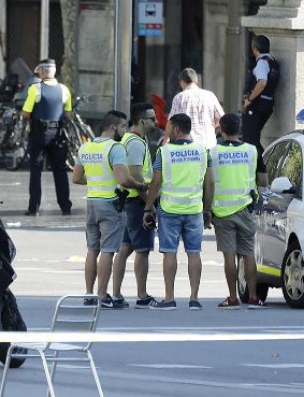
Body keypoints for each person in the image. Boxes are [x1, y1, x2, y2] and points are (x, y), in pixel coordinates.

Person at [71, 110, 148, 309]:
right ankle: (103, 295)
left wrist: (96, 180)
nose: (125, 130)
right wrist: (139, 186)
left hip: (92, 202)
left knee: (92, 249)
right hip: (111, 204)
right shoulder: (115, 148)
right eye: (123, 126)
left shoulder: (86, 147)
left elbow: (77, 177)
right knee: (108, 250)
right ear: (113, 127)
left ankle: (89, 294)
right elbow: (123, 179)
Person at [143, 113, 214, 310]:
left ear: (175, 129)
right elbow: (210, 182)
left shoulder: (163, 152)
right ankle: (194, 299)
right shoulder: (203, 151)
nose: (165, 130)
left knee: (169, 253)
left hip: (169, 210)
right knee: (194, 253)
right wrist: (208, 208)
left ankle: (169, 299)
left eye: (167, 127)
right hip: (194, 209)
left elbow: (156, 182)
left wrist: (148, 207)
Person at [210, 113, 263, 310]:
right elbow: (263, 180)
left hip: (222, 211)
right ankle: (253, 297)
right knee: (248, 254)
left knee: (229, 256)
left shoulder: (213, 152)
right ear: (239, 129)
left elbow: (208, 181)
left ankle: (232, 298)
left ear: (221, 130)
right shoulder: (252, 150)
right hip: (245, 207)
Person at [111, 103, 159, 309]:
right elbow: (136, 174)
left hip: (128, 201)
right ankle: (142, 295)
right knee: (142, 249)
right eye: (152, 119)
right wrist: (148, 203)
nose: (156, 122)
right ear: (141, 120)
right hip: (137, 202)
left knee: (125, 248)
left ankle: (116, 294)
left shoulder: (132, 139)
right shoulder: (136, 143)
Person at [21, 58, 73, 216]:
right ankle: (65, 206)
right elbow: (68, 113)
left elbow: (25, 113)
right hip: (58, 134)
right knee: (60, 170)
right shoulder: (64, 89)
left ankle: (34, 208)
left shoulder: (35, 88)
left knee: (36, 170)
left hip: (39, 133)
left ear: (42, 71)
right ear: (55, 71)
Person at [241, 35, 280, 187]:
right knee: (253, 140)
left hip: (257, 105)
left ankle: (263, 168)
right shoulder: (273, 62)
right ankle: (259, 170)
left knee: (250, 141)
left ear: (255, 49)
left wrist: (249, 99)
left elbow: (262, 82)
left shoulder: (262, 64)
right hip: (267, 104)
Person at [168, 68, 224, 150]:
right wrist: (213, 130)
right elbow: (222, 118)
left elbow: (171, 123)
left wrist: (167, 140)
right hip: (209, 145)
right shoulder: (210, 95)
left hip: (188, 148)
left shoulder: (179, 97)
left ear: (182, 82)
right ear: (196, 81)